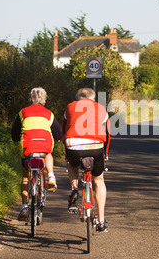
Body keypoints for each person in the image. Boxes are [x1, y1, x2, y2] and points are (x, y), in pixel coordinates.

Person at [62, 88, 110, 232]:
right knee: (99, 180)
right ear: (93, 98)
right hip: (95, 147)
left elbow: (65, 130)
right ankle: (101, 221)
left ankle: (74, 190)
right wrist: (105, 154)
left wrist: (67, 154)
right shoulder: (101, 109)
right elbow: (107, 133)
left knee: (72, 164)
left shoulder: (70, 107)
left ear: (77, 98)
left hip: (73, 146)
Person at [11, 87, 63, 220]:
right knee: (48, 153)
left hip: (27, 147)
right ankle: (51, 176)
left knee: (25, 178)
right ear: (44, 101)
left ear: (30, 99)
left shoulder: (23, 112)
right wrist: (58, 138)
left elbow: (15, 132)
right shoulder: (49, 114)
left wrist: (16, 138)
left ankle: (23, 207)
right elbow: (58, 133)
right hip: (44, 146)